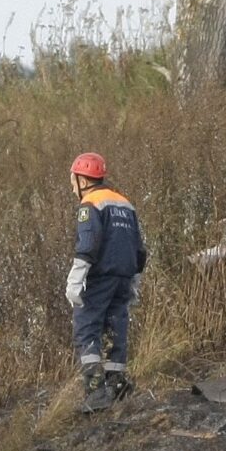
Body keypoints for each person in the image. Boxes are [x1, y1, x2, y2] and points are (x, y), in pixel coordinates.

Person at [67, 151, 146, 408]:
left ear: (82, 180)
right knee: (116, 327)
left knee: (86, 325)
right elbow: (139, 248)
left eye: (73, 179)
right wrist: (134, 279)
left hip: (100, 276)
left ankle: (95, 392)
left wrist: (76, 278)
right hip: (124, 277)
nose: (72, 185)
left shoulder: (90, 204)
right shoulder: (125, 203)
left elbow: (88, 242)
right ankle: (117, 384)